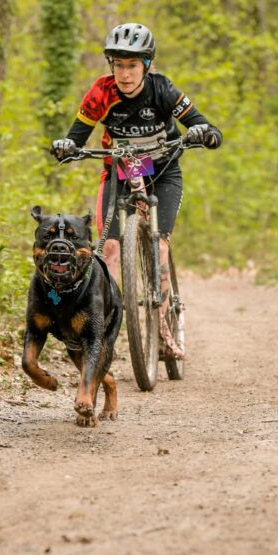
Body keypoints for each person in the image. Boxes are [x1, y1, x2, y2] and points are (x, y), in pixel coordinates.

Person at [50, 22, 222, 357]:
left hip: (164, 171)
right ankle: (100, 333)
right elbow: (75, 137)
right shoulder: (101, 93)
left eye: (132, 65)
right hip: (118, 172)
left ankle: (163, 331)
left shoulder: (163, 90)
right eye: (118, 65)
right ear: (110, 65)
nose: (125, 74)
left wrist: (205, 133)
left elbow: (203, 123)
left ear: (146, 65)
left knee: (159, 245)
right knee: (109, 250)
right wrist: (65, 146)